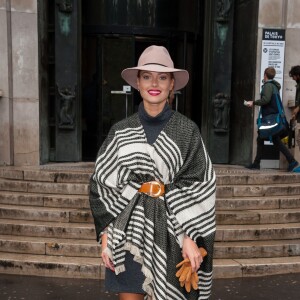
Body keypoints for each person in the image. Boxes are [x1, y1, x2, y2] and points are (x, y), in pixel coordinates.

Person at [89, 45, 216, 300]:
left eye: (162, 77)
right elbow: (101, 184)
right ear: (138, 82)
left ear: (172, 84)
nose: (154, 83)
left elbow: (199, 185)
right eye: (147, 76)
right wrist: (106, 234)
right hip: (127, 234)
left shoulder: (187, 131)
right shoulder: (120, 131)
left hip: (172, 234)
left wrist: (190, 236)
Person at [245, 67, 299, 171]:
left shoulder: (268, 86)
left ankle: (257, 164)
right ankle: (291, 161)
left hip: (271, 119)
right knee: (270, 139)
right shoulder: (274, 85)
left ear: (265, 75)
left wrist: (253, 103)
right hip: (274, 118)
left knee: (262, 138)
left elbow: (266, 100)